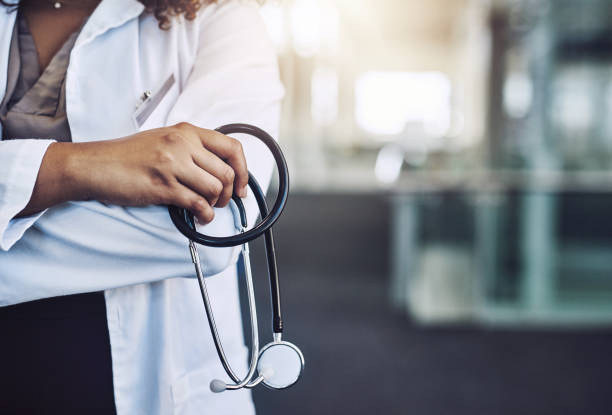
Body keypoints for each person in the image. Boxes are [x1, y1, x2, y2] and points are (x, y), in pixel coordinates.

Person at [0, 0, 284, 413]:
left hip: (146, 385)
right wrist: (73, 168)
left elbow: (209, 232)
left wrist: (15, 194)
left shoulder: (221, 19)